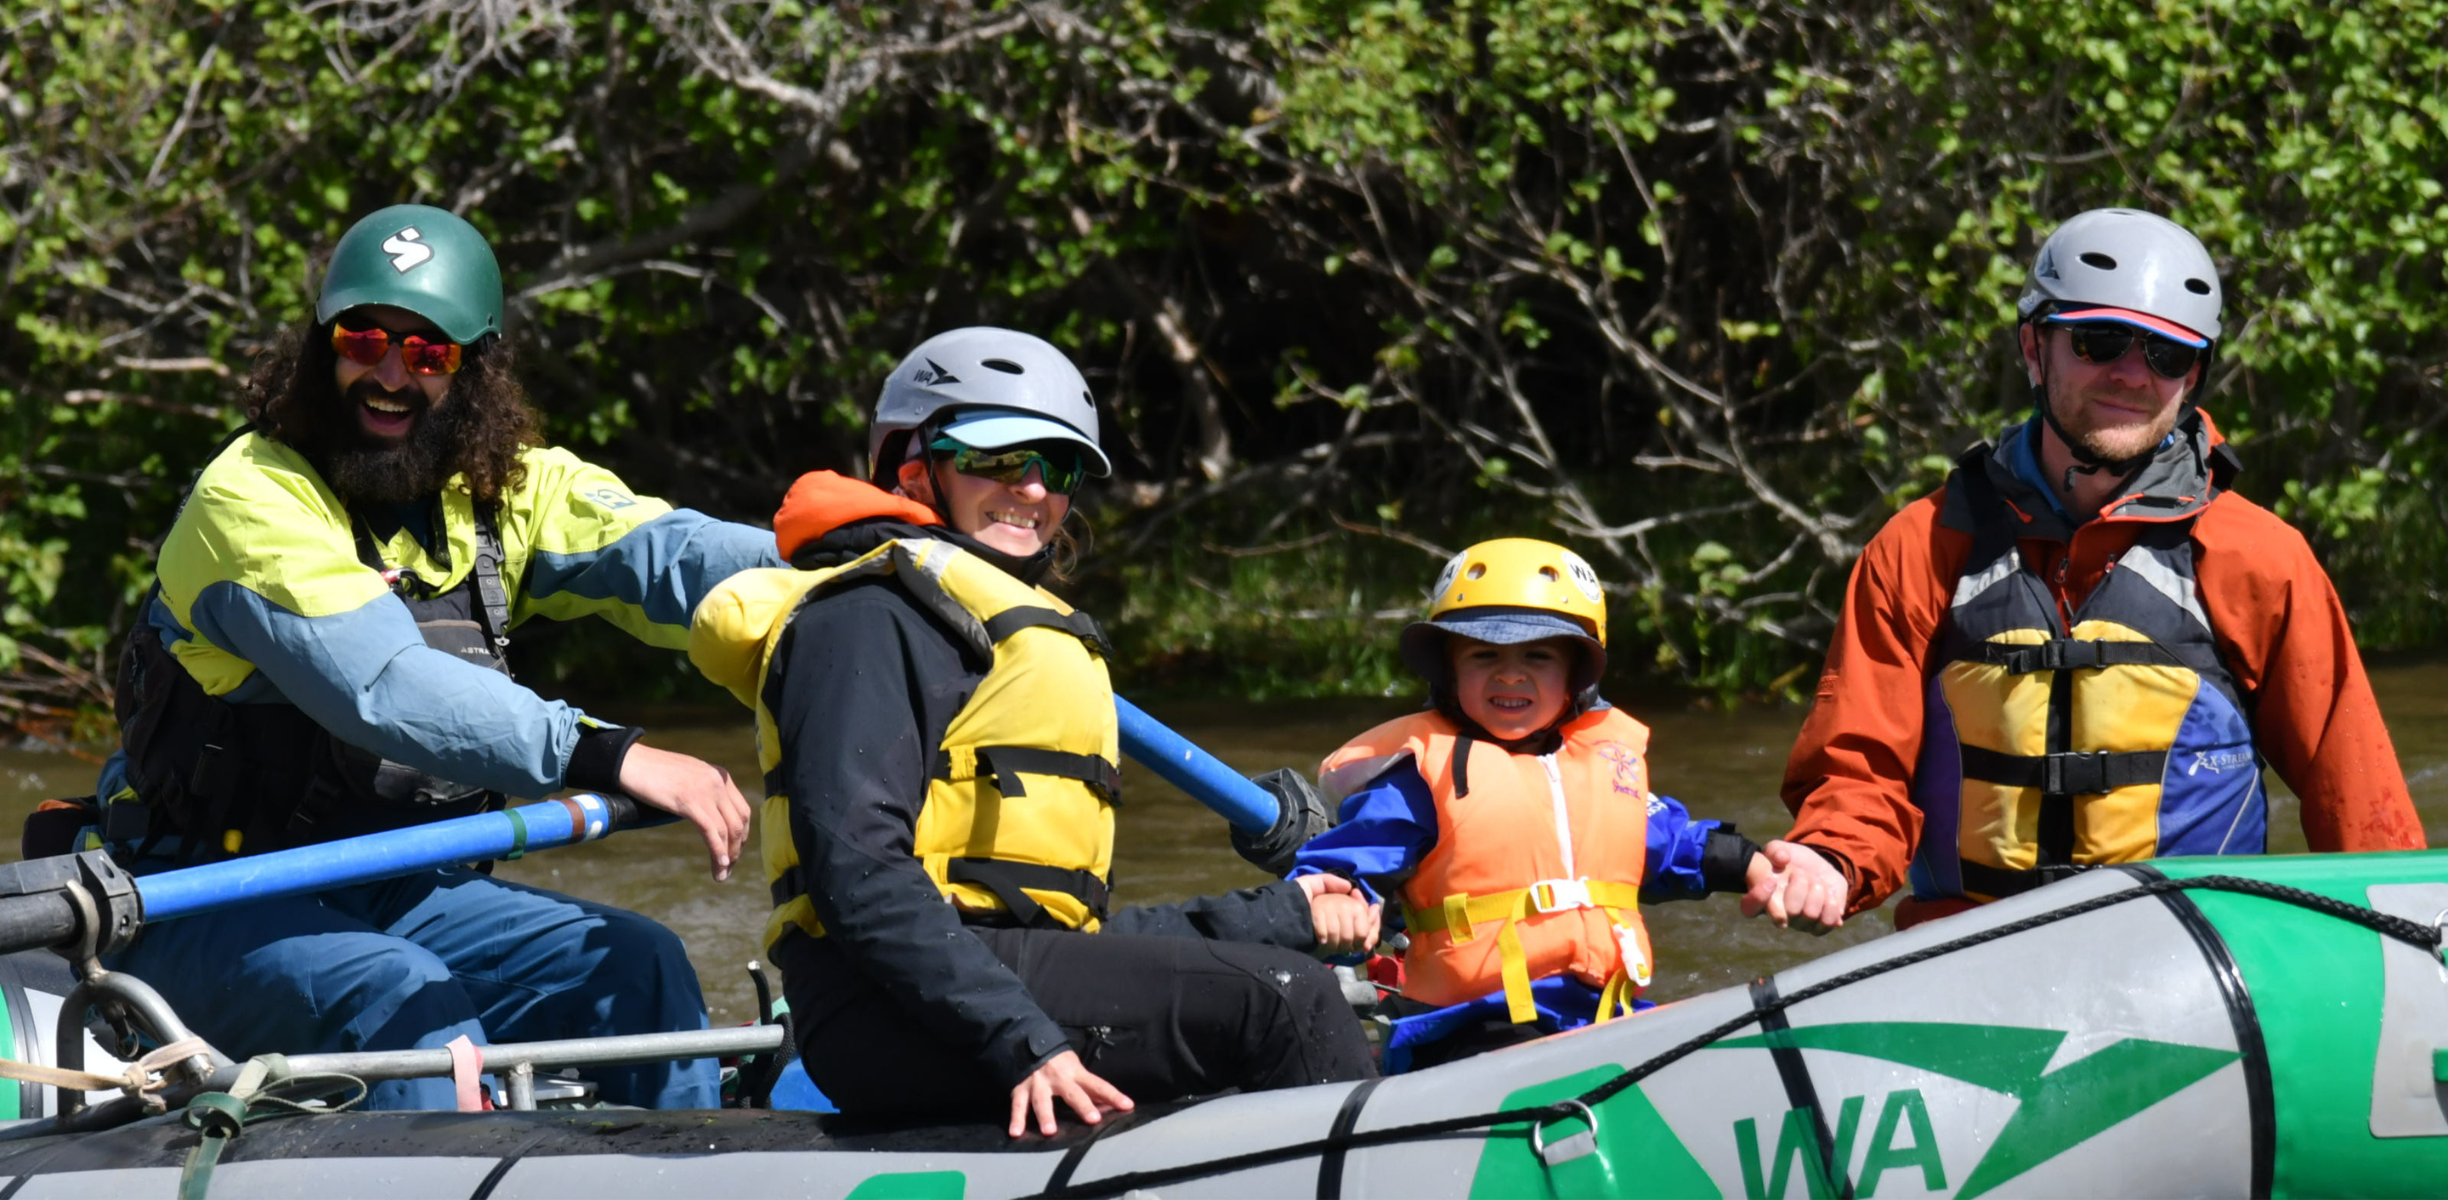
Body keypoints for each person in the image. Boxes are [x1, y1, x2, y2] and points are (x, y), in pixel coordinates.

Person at [74, 204, 777, 1109]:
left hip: (391, 885)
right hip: (201, 896)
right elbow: (384, 687)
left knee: (639, 972)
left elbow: (670, 554)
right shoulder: (249, 497)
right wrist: (610, 752)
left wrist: (848, 554)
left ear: (473, 371)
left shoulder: (499, 488)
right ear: (322, 351)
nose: (391, 374)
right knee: (402, 1003)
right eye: (364, 339)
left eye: (429, 354)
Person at [689, 327, 1377, 1137]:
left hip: (981, 981)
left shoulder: (996, 625)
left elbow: (1065, 942)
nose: (1032, 490)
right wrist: (1022, 1042)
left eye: (1058, 468)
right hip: (884, 1007)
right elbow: (857, 874)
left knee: (1285, 966)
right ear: (914, 466)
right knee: (1282, 1003)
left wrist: (1282, 913)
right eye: (996, 460)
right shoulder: (865, 617)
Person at [1769, 207, 2428, 932]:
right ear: (2033, 347)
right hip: (1967, 958)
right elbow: (1858, 767)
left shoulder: (2257, 560)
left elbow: (2359, 802)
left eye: (2166, 356)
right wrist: (1831, 857)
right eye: (2100, 341)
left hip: (2192, 968)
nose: (2131, 375)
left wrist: (2407, 935)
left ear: (2193, 376)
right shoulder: (1922, 546)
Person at [1294, 538, 1818, 1072]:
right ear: (1449, 673)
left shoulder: (1602, 767)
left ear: (1576, 675)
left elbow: (1673, 841)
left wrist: (1755, 867)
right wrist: (1335, 898)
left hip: (1606, 1015)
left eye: (1537, 655)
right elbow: (1345, 864)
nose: (1510, 674)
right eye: (1484, 655)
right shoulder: (1416, 781)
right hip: (1474, 1028)